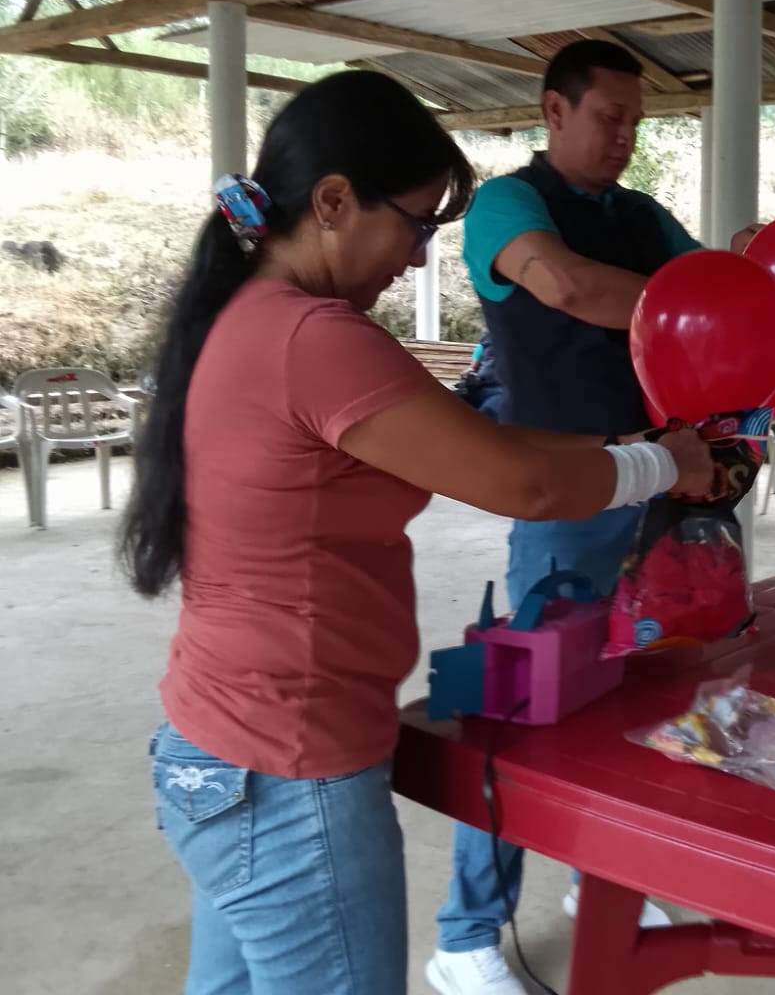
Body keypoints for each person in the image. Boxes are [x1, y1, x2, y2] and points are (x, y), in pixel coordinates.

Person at [122, 70, 713, 995]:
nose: (416, 258)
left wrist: (631, 447)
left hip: (220, 746)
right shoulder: (315, 337)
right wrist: (662, 468)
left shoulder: (250, 317)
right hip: (291, 766)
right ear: (332, 202)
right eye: (415, 224)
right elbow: (520, 482)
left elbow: (478, 441)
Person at [434, 40, 757, 994]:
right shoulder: (508, 205)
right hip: (561, 496)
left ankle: (599, 876)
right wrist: (699, 300)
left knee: (640, 696)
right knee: (521, 706)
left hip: (659, 484)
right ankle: (464, 937)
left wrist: (742, 276)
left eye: (635, 123)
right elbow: (568, 287)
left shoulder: (641, 216)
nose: (624, 137)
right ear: (554, 111)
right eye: (608, 118)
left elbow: (729, 291)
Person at [456, 329, 503, 420]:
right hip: (478, 386)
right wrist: (470, 371)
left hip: (501, 391)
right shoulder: (489, 337)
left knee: (488, 411)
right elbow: (473, 367)